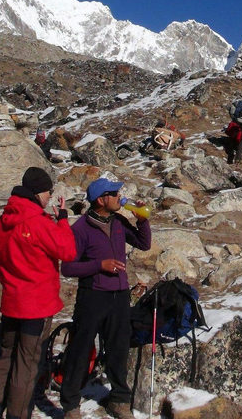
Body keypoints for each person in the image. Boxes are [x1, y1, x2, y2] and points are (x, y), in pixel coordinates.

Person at [0, 167, 77, 419]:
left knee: (4, 358)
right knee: (27, 364)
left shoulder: (3, 221)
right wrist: (63, 219)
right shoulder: (38, 222)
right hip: (37, 305)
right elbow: (68, 251)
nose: (49, 197)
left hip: (11, 302)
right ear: (38, 192)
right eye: (48, 192)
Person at [59, 178, 152, 419]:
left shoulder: (119, 221)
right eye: (114, 193)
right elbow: (67, 268)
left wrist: (142, 220)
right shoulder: (80, 229)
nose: (119, 196)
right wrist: (99, 265)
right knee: (80, 350)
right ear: (101, 200)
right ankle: (70, 405)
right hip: (92, 296)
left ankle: (119, 400)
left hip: (119, 295)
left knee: (118, 349)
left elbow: (144, 243)